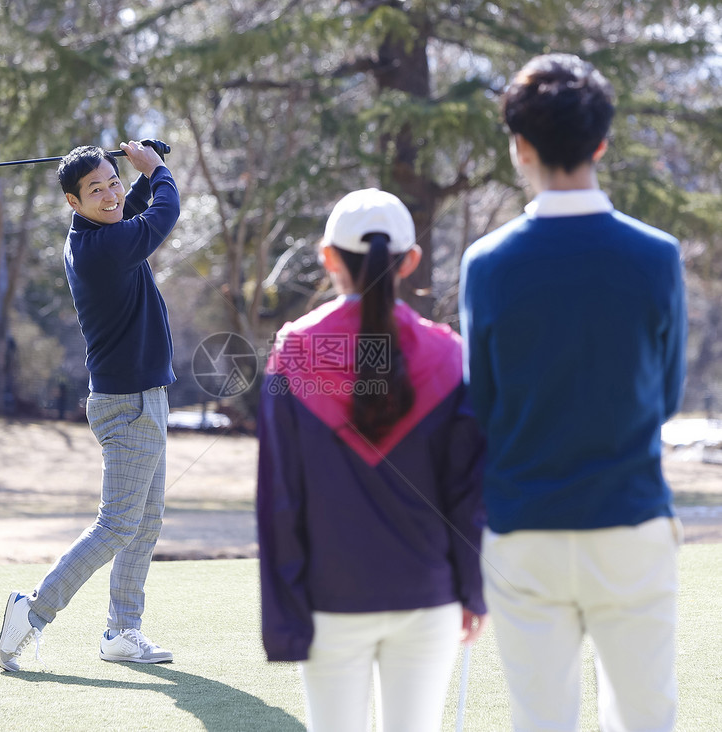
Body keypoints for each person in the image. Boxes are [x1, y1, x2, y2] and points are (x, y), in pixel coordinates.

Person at [459, 54, 687, 731]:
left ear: (519, 146)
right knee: (646, 717)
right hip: (629, 523)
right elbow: (666, 394)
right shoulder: (657, 255)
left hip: (526, 530)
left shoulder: (489, 264)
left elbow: (486, 408)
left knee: (540, 720)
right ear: (601, 142)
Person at [257, 188, 487, 732]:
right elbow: (470, 491)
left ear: (328, 257)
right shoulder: (450, 355)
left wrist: (287, 614)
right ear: (410, 261)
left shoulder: (294, 351)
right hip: (428, 596)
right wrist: (473, 590)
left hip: (329, 598)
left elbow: (279, 498)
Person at [0, 140, 180, 672]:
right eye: (95, 189)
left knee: (144, 521)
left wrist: (140, 176)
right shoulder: (105, 247)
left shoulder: (98, 234)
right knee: (119, 524)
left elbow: (134, 211)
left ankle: (123, 631)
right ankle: (31, 612)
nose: (109, 193)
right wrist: (160, 170)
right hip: (129, 405)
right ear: (73, 203)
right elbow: (160, 216)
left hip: (144, 397)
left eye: (113, 181)